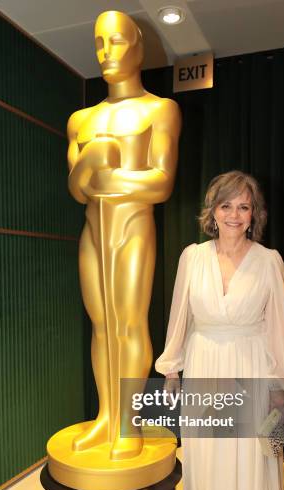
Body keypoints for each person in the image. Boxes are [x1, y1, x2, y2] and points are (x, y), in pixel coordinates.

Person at [155, 170, 284, 490]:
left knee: (250, 467)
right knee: (207, 466)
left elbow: (279, 329)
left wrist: (281, 389)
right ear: (211, 211)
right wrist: (171, 370)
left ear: (254, 214)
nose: (234, 214)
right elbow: (180, 316)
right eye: (226, 205)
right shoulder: (191, 257)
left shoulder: (269, 260)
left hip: (250, 369)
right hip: (203, 369)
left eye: (244, 206)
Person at [67, 11, 181, 459]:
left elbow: (160, 183)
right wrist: (96, 157)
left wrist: (101, 169)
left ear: (138, 46)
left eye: (115, 41)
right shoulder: (82, 120)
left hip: (133, 228)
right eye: (98, 42)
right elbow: (76, 190)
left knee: (130, 322)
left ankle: (129, 422)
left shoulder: (161, 109)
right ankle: (106, 416)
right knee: (101, 326)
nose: (105, 52)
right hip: (93, 232)